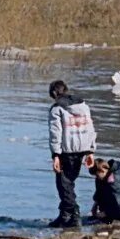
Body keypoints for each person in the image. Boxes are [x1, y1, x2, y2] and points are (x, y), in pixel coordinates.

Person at [47, 80, 96, 228]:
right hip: (82, 149)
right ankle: (64, 215)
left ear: (54, 93)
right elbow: (90, 127)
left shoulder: (56, 109)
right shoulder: (83, 106)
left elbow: (56, 132)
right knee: (68, 182)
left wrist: (56, 154)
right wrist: (90, 151)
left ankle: (74, 215)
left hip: (66, 150)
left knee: (64, 183)